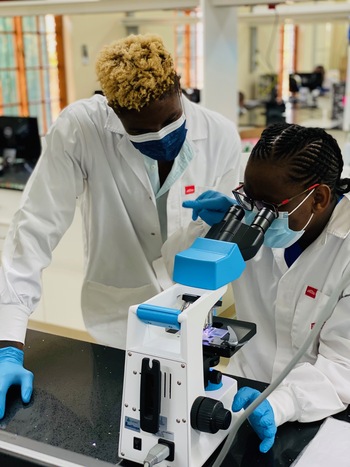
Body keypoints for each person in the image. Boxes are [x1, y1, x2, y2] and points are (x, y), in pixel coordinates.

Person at [0, 34, 242, 418]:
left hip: (193, 306)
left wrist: (227, 223)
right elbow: (32, 231)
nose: (162, 136)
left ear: (178, 87)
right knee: (116, 417)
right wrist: (8, 344)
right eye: (144, 131)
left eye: (170, 120)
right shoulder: (81, 128)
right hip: (116, 313)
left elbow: (232, 243)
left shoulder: (220, 133)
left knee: (187, 418)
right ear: (113, 110)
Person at [182, 122, 350, 453]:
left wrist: (280, 402)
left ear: (318, 198)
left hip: (321, 408)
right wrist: (209, 227)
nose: (255, 214)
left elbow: (344, 365)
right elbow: (178, 269)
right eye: (249, 197)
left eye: (270, 208)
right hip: (243, 395)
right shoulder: (251, 213)